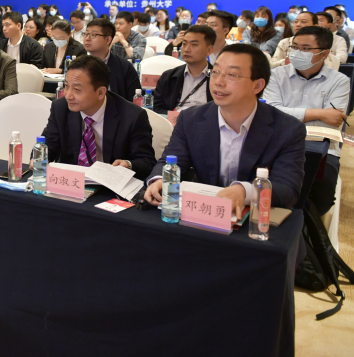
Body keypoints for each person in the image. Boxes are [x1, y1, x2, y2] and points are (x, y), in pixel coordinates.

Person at [144, 44, 307, 216]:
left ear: (257, 86)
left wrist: (244, 191)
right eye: (215, 72)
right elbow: (171, 162)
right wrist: (160, 180)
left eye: (232, 75)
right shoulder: (190, 119)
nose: (218, 82)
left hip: (254, 219)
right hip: (204, 213)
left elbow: (287, 189)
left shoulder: (288, 129)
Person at [263, 25, 349, 215]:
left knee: (323, 194)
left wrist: (290, 115)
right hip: (278, 143)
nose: (297, 53)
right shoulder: (276, 75)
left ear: (324, 53)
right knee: (268, 183)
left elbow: (333, 119)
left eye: (305, 48)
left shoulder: (339, 81)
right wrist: (320, 114)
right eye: (294, 47)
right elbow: (272, 112)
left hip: (323, 148)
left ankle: (307, 228)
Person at [41, 54, 156, 178]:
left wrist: (128, 165)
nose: (68, 95)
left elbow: (147, 162)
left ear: (100, 92)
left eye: (77, 89)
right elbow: (47, 146)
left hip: (110, 183)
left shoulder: (132, 116)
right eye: (67, 86)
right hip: (72, 181)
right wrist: (39, 158)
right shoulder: (60, 108)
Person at [152, 25, 215, 114]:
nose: (186, 49)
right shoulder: (169, 76)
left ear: (209, 50)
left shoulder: (218, 78)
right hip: (174, 120)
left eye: (194, 45)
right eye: (184, 44)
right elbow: (157, 109)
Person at [82, 18, 141, 102]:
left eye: (93, 35)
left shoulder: (124, 67)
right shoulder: (79, 66)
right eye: (86, 34)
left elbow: (134, 100)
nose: (87, 38)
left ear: (108, 40)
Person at [271, 11, 341, 70]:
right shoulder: (285, 42)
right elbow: (272, 65)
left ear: (315, 26)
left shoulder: (320, 43)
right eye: (296, 22)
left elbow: (329, 67)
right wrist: (290, 61)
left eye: (303, 22)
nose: (298, 25)